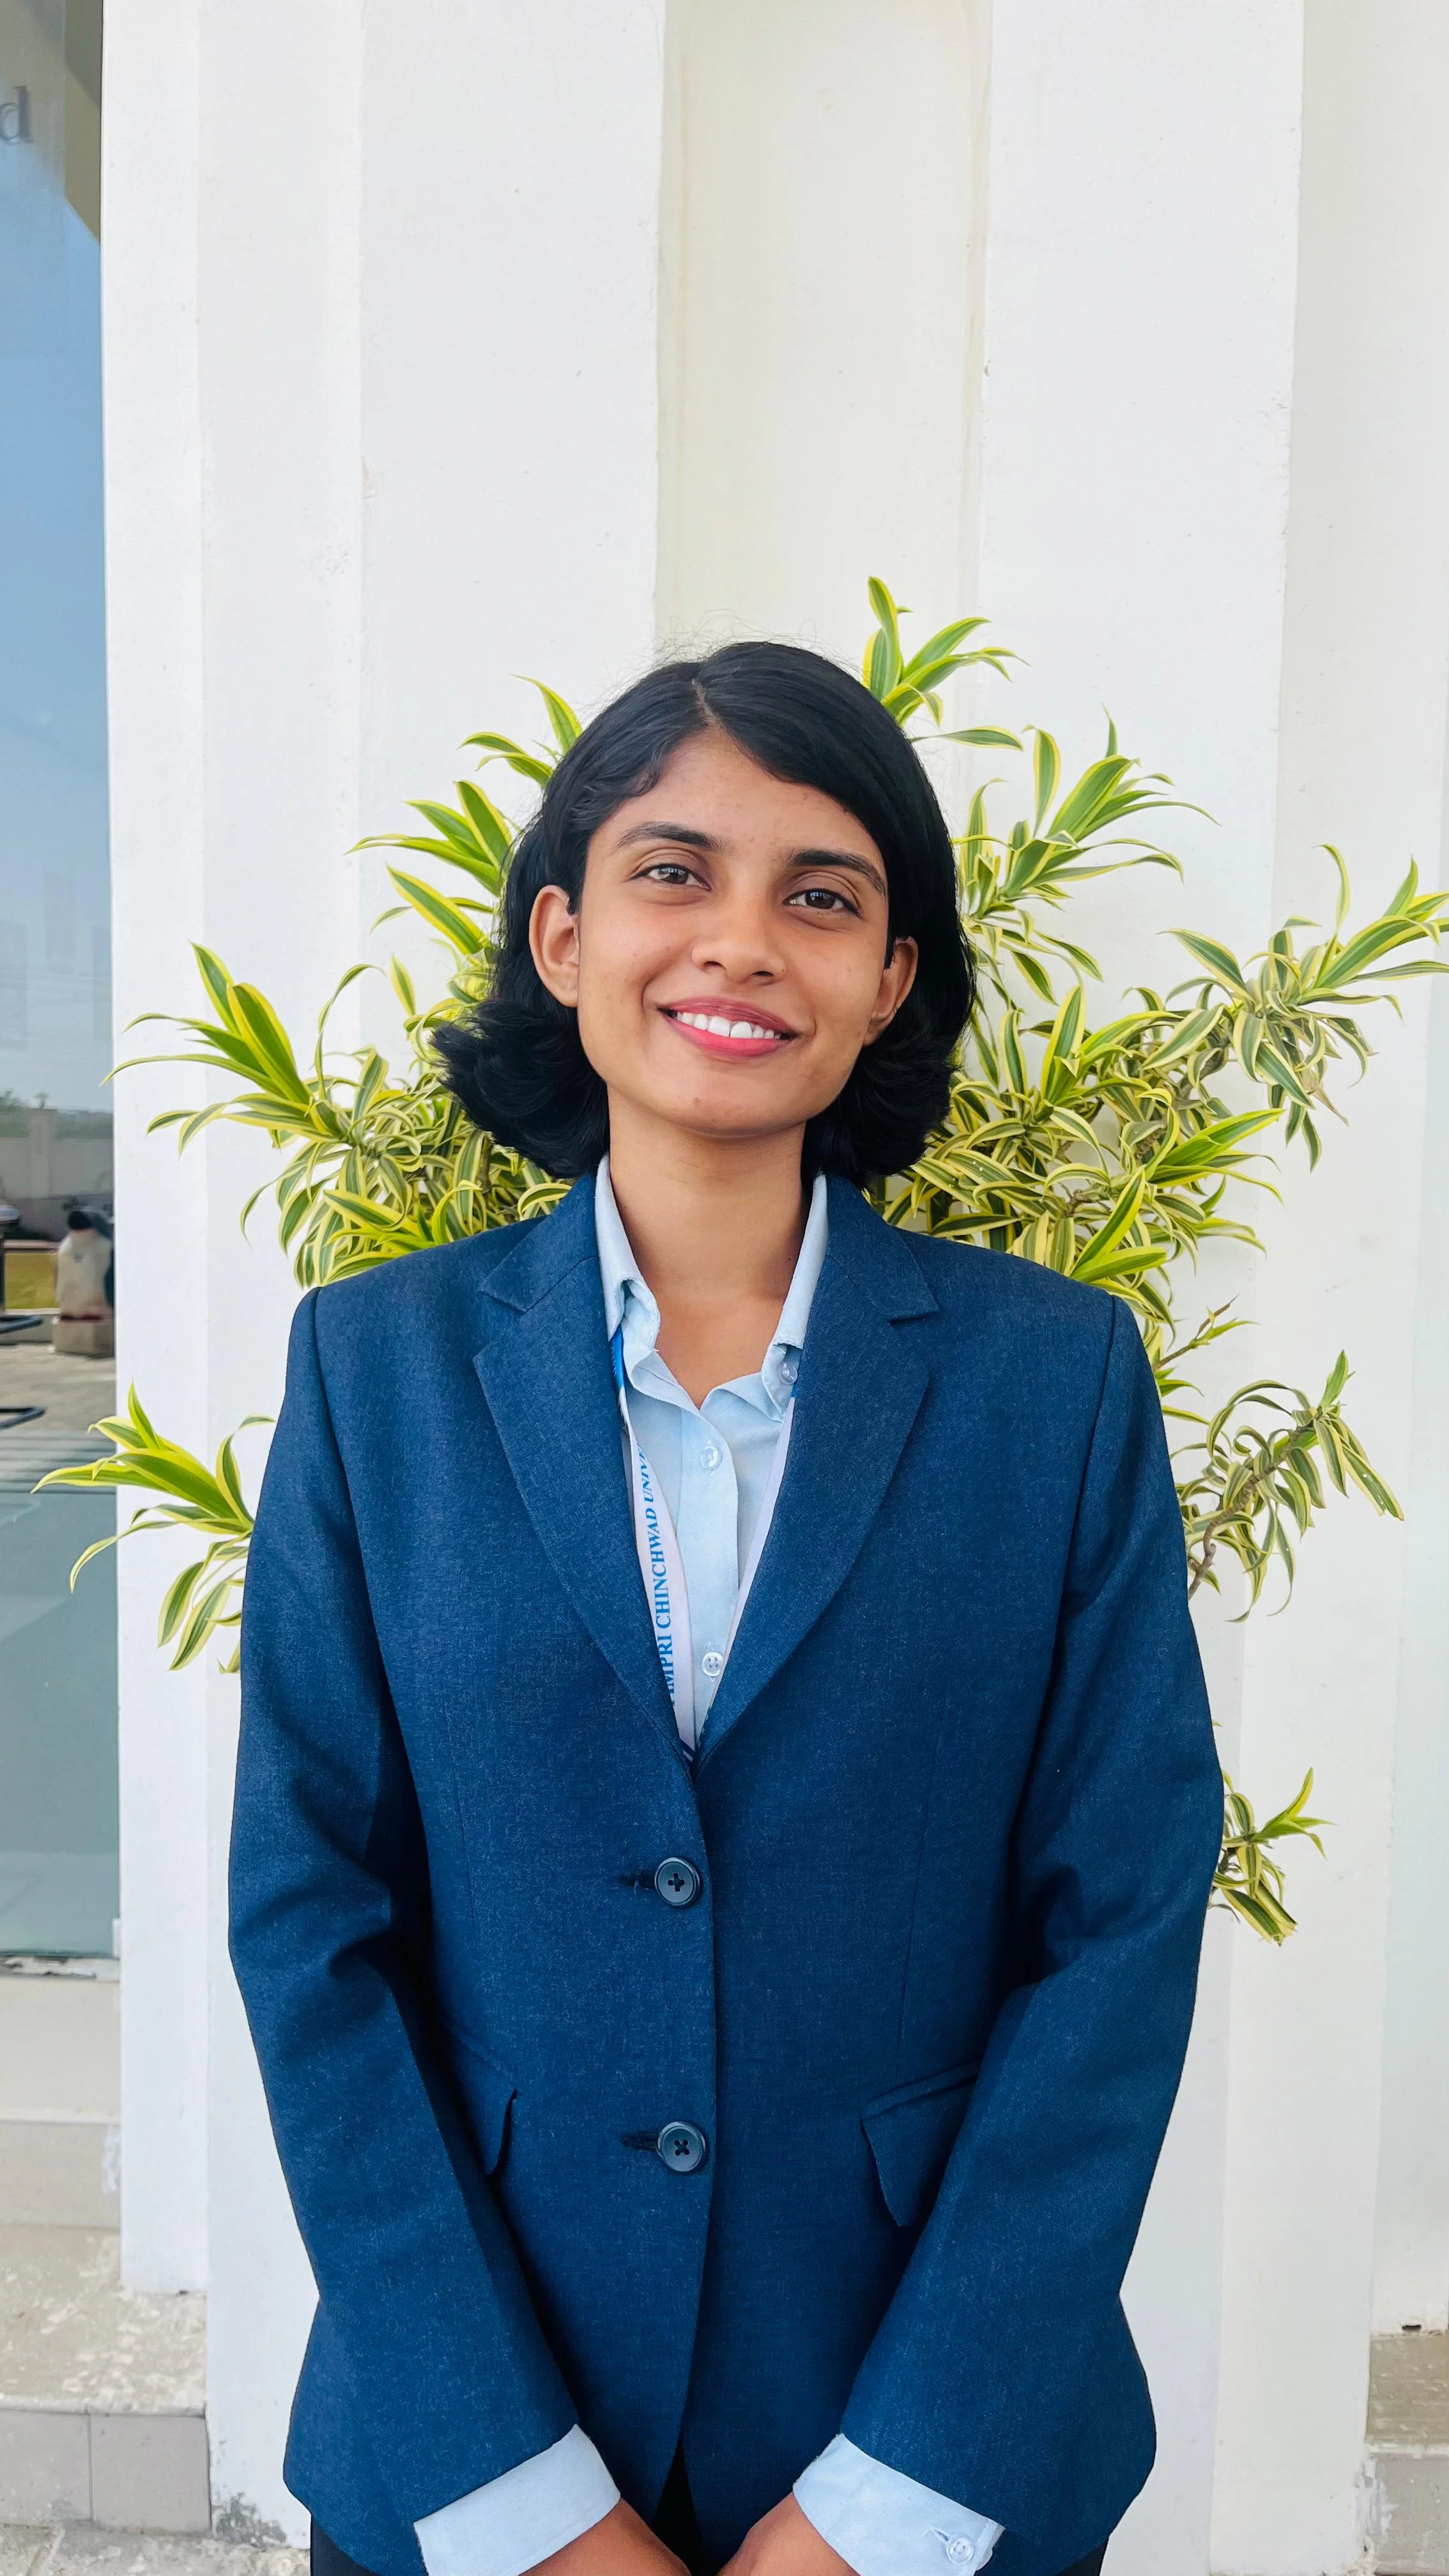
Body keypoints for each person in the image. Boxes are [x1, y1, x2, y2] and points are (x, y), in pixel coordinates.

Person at [230, 644, 1223, 2576]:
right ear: (562, 934)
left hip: (924, 2439)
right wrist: (521, 2501)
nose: (742, 942)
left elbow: (1118, 1927)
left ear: (892, 978)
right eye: (673, 871)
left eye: (821, 896)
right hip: (473, 2435)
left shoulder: (1054, 1382)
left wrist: (885, 2504)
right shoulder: (376, 1369)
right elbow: (312, 1922)